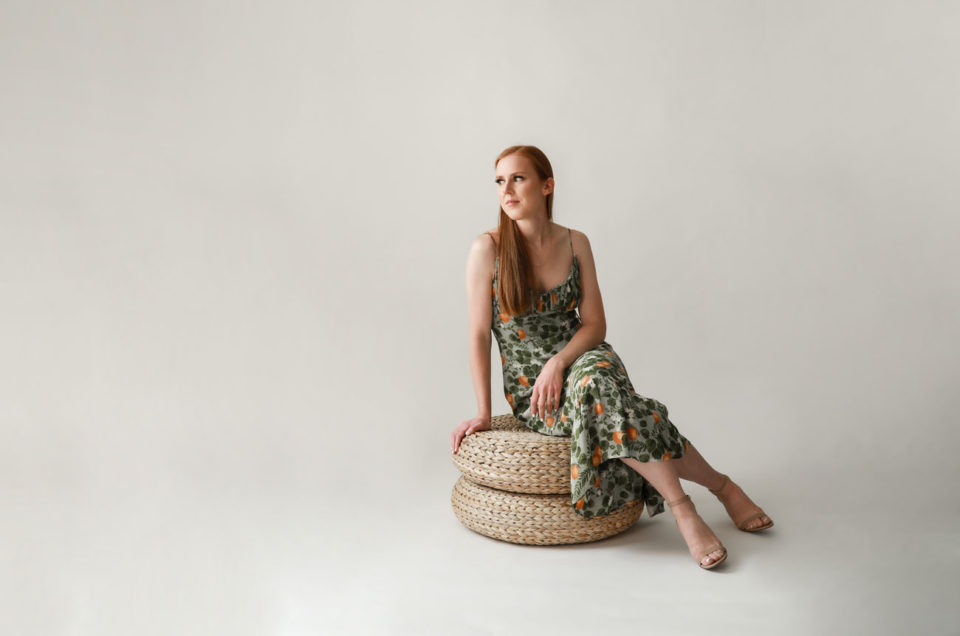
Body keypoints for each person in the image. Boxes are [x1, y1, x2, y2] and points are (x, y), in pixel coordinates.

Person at [450, 144, 774, 570]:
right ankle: (717, 490)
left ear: (547, 186)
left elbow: (595, 325)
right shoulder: (487, 248)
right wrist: (484, 412)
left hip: (582, 358)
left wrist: (558, 361)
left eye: (518, 178)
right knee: (628, 411)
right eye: (499, 181)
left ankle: (685, 509)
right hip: (534, 389)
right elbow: (478, 334)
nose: (506, 190)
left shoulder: (575, 241)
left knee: (599, 385)